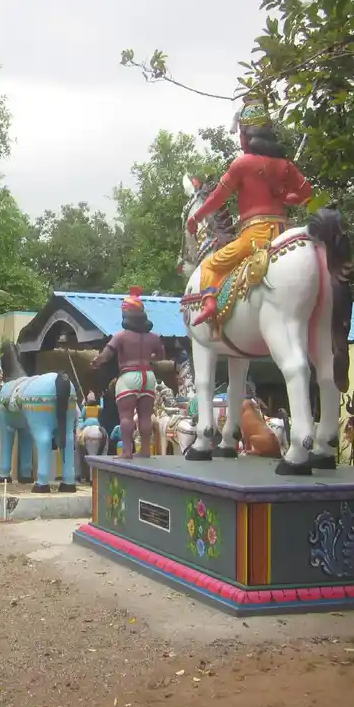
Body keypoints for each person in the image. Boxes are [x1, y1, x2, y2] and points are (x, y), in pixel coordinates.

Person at [186, 101, 313, 326]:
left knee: (210, 265)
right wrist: (285, 198)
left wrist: (195, 217)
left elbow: (217, 198)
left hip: (255, 236)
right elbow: (307, 195)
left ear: (245, 135)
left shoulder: (242, 164)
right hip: (285, 231)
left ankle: (209, 305)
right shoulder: (285, 166)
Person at [90, 287, 165, 458]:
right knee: (146, 415)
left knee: (126, 416)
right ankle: (145, 450)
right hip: (149, 376)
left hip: (128, 376)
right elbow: (160, 356)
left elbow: (106, 355)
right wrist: (147, 357)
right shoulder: (153, 337)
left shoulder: (120, 336)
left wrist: (96, 362)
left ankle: (126, 451)